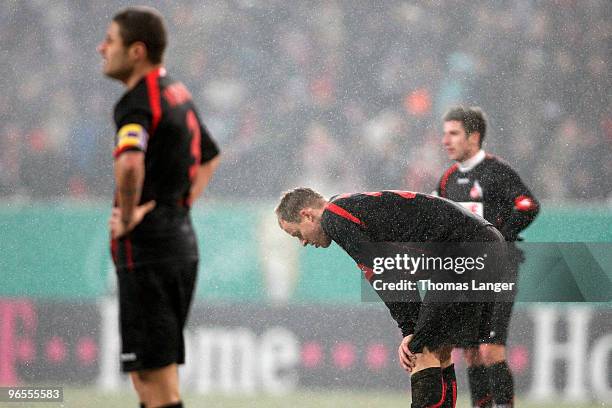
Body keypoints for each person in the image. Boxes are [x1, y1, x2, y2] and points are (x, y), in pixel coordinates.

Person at [276, 188, 506, 408]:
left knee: (418, 351)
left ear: (306, 214)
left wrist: (409, 330)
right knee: (438, 350)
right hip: (488, 245)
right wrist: (412, 327)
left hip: (464, 251)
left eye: (297, 234)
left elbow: (386, 272)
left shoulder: (333, 217)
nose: (303, 242)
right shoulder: (349, 206)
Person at [98, 7, 220, 408]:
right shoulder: (175, 91)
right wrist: (176, 207)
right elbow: (209, 157)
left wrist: (131, 214)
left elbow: (130, 162)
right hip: (177, 243)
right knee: (149, 378)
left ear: (136, 51)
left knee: (156, 382)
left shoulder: (137, 101)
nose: (102, 49)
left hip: (149, 252)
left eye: (110, 41)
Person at [437, 106, 539, 408]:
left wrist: (499, 238)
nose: (446, 140)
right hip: (465, 273)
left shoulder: (497, 172)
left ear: (474, 136)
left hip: (498, 271)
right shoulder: (447, 181)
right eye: (444, 133)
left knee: (491, 349)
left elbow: (527, 205)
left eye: (453, 133)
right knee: (469, 351)